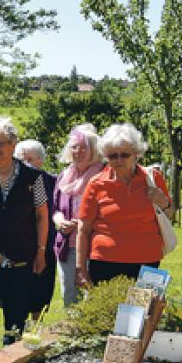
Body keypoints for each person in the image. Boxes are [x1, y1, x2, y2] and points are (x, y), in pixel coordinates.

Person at [0, 118, 49, 358]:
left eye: (1, 143)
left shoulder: (32, 177)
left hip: (20, 260)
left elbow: (42, 215)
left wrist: (41, 251)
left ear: (13, 143)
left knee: (15, 323)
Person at [76, 123, 173, 287]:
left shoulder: (153, 178)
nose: (119, 160)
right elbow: (83, 229)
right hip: (104, 261)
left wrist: (163, 202)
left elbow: (169, 214)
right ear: (106, 156)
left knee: (144, 311)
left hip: (147, 260)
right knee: (107, 312)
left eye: (125, 155)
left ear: (136, 154)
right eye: (113, 156)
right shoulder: (96, 184)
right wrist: (80, 270)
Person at [52, 125, 104, 305]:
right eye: (74, 147)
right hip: (68, 246)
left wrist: (82, 223)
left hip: (95, 246)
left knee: (94, 298)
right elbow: (55, 208)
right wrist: (60, 221)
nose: (78, 151)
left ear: (94, 150)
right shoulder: (64, 175)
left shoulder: (102, 175)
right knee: (70, 297)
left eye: (84, 147)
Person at [16, 139, 57, 320]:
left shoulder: (52, 182)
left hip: (45, 244)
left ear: (41, 161)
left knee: (40, 294)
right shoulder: (13, 181)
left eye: (31, 159)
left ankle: (36, 331)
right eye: (22, 159)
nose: (27, 164)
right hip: (20, 245)